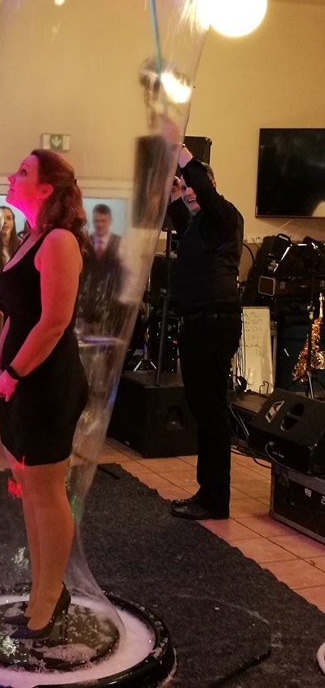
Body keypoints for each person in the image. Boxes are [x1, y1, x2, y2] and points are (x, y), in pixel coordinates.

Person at [0, 149, 89, 641]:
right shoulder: (30, 238)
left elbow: (54, 322)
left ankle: (50, 596)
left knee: (47, 492)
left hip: (47, 384)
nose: (12, 175)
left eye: (23, 171)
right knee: (28, 487)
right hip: (19, 379)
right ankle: (41, 589)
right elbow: (17, 314)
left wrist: (13, 372)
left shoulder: (59, 241)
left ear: (47, 188)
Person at [167, 145, 243, 521]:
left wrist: (182, 152)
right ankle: (209, 493)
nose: (189, 192)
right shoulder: (202, 226)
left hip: (213, 322)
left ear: (210, 186)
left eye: (194, 187)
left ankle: (214, 499)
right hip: (201, 323)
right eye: (185, 189)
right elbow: (183, 219)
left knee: (210, 410)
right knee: (203, 407)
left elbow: (201, 192)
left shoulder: (224, 215)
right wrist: (173, 193)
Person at [80, 203, 124, 334]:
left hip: (110, 311)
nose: (99, 224)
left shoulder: (120, 244)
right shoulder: (84, 243)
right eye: (96, 221)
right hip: (85, 311)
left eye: (103, 221)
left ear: (109, 220)